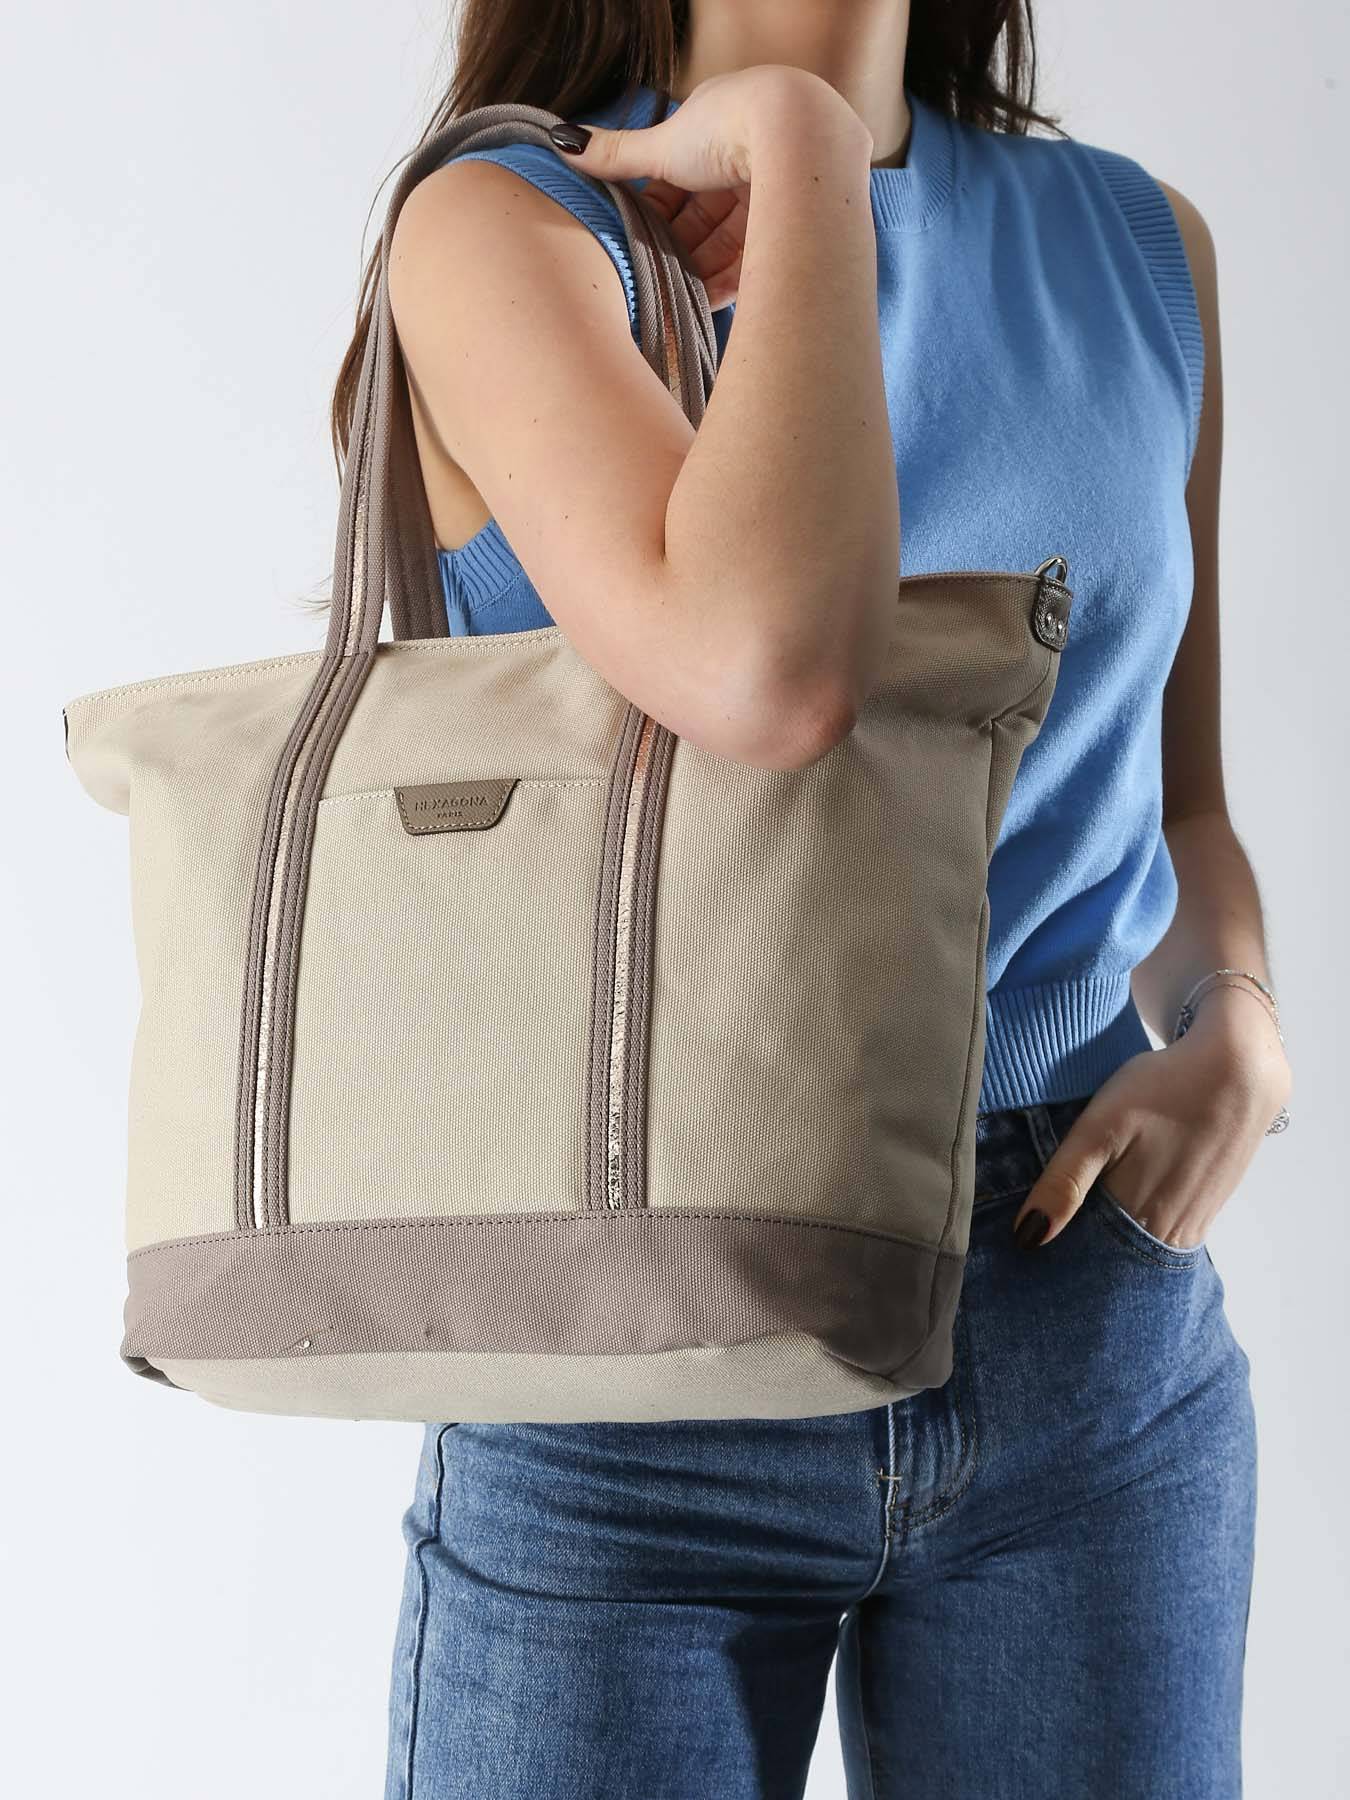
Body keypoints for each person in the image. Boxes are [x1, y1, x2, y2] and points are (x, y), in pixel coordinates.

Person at [327, 3, 1294, 1795]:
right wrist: (800, 155)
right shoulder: (507, 224)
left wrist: (1233, 1020)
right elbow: (768, 671)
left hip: (1084, 1323)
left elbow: (1183, 807)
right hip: (632, 1362)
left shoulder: (1139, 242)